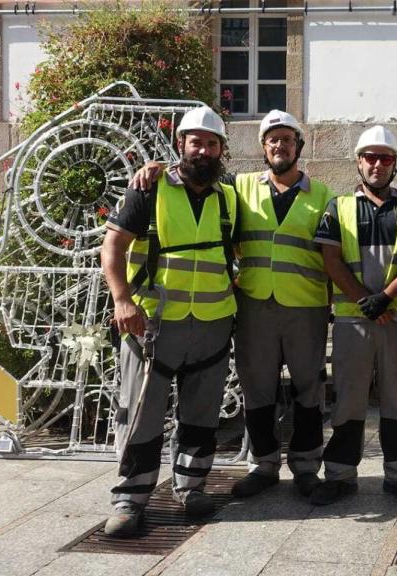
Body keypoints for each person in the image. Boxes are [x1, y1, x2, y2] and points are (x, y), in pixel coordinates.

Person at [128, 110, 335, 500]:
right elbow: (193, 178)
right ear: (262, 147)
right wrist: (154, 168)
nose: (279, 145)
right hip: (254, 305)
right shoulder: (239, 188)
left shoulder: (322, 195)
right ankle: (263, 465)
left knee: (309, 391)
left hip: (306, 308)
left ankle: (307, 468)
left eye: (287, 139)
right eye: (272, 139)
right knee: (258, 390)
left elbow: (332, 255)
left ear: (299, 146)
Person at [101, 106, 237, 537]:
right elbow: (113, 247)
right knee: (141, 413)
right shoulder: (149, 189)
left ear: (221, 150)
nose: (204, 150)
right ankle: (130, 498)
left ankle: (191, 486)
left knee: (201, 412)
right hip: (153, 325)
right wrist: (122, 299)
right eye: (195, 142)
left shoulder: (229, 194)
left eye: (212, 143)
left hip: (212, 322)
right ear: (181, 145)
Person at [310, 125, 397, 505]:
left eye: (385, 158)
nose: (377, 164)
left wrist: (385, 298)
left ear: (395, 164)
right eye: (370, 157)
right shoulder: (339, 207)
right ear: (359, 163)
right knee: (348, 400)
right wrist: (365, 299)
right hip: (352, 322)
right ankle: (341, 476)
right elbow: (330, 259)